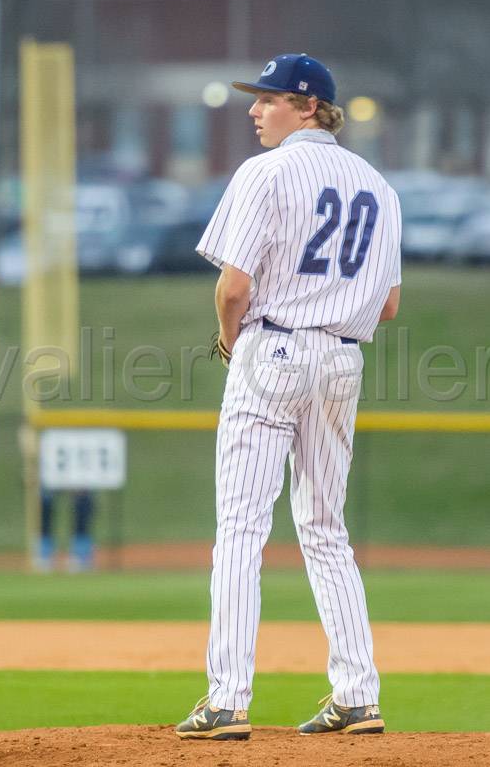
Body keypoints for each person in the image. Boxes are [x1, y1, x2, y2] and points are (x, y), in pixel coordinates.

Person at [175, 53, 402, 741]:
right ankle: (358, 693)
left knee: (242, 528)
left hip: (272, 346)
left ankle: (226, 699)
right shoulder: (380, 187)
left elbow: (234, 287)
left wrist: (226, 338)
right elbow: (388, 306)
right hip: (342, 359)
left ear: (308, 106)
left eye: (269, 99)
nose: (254, 109)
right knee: (326, 527)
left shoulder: (267, 172)